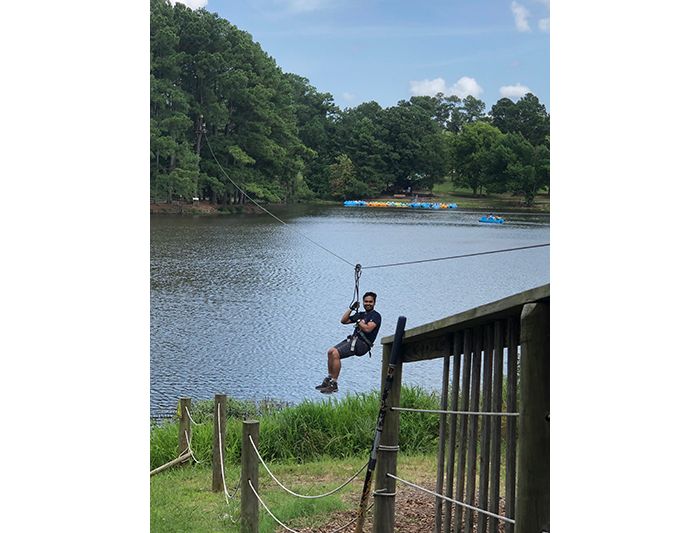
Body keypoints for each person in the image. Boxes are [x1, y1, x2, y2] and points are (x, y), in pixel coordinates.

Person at [316, 292, 382, 394]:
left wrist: (359, 321)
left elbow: (368, 329)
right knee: (330, 352)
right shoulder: (361, 314)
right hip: (354, 340)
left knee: (335, 353)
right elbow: (343, 321)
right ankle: (329, 380)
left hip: (362, 344)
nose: (368, 303)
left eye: (370, 302)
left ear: (374, 303)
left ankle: (334, 383)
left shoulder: (376, 315)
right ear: (363, 302)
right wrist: (351, 308)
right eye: (366, 301)